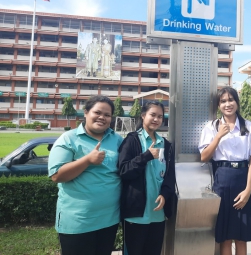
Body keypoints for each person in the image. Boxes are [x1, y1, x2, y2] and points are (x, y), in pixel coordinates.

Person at [48, 95, 123, 255]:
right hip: (78, 221)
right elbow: (57, 176)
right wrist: (87, 160)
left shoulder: (117, 139)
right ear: (86, 113)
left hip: (109, 218)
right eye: (97, 112)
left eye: (107, 115)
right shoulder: (69, 139)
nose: (102, 117)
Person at [198, 87, 251, 255]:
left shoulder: (248, 126)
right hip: (222, 179)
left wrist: (248, 189)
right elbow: (204, 156)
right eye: (223, 101)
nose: (228, 104)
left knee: (241, 234)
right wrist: (218, 136)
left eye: (231, 100)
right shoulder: (211, 127)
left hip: (242, 179)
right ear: (218, 105)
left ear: (237, 102)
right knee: (225, 234)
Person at [118, 101, 176, 255]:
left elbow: (170, 176)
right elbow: (124, 171)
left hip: (158, 212)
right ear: (143, 116)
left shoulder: (166, 145)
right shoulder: (132, 140)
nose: (156, 119)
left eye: (160, 116)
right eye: (152, 115)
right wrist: (146, 156)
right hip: (136, 213)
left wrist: (165, 193)